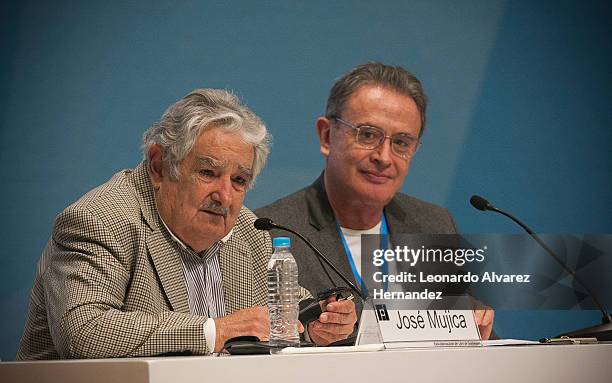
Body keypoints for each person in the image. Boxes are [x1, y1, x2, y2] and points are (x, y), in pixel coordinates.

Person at [17, 89, 357, 360]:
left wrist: (317, 326)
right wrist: (214, 330)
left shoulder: (248, 231)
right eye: (208, 173)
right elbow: (84, 331)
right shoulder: (101, 219)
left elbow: (286, 313)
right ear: (159, 166)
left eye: (239, 180)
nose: (224, 196)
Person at [256, 62, 494, 339]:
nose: (384, 156)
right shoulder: (272, 232)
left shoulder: (433, 224)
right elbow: (263, 346)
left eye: (402, 143)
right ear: (326, 136)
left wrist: (478, 330)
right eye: (368, 135)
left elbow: (468, 339)